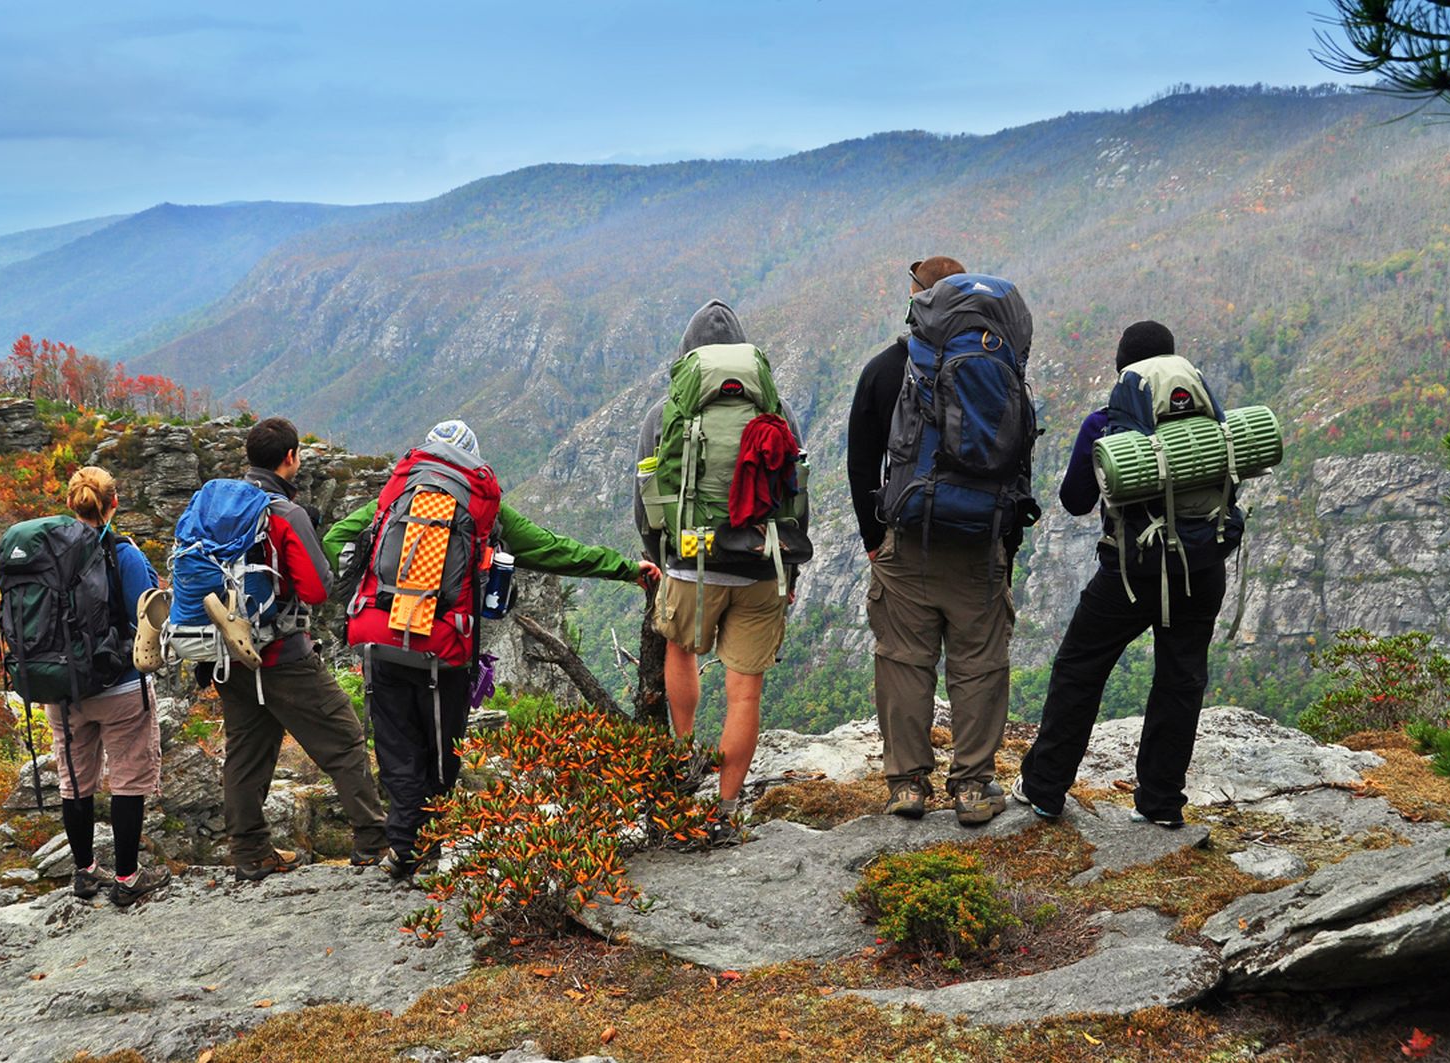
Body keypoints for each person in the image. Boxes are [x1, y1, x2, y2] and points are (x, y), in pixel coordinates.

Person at [324, 420, 661, 880]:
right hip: (444, 648)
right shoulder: (483, 506)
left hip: (380, 640)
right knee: (440, 755)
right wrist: (624, 568)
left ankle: (403, 849)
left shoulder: (395, 494)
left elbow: (335, 538)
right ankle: (425, 849)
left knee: (397, 748)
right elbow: (555, 550)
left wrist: (360, 595)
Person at [1013, 321, 1236, 827]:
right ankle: (1162, 803)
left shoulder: (1104, 423)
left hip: (1131, 574)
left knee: (1080, 669)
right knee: (1181, 680)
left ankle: (1045, 788)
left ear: (1125, 370)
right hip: (1201, 569)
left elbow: (1075, 500)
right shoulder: (1211, 421)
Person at [846, 256, 1027, 826]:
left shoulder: (886, 369)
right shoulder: (1001, 366)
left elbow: (860, 463)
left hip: (906, 542)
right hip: (980, 546)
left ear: (919, 302)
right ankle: (972, 787)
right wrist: (1005, 547)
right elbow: (1018, 463)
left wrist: (875, 539)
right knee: (979, 665)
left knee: (904, 661)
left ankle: (907, 785)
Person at [633, 300, 805, 826]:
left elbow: (646, 500)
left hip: (690, 561)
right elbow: (797, 496)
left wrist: (659, 558)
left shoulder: (665, 412)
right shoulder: (777, 410)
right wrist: (790, 570)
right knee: (744, 692)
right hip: (761, 562)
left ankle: (685, 761)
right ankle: (727, 810)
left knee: (681, 650)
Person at [214, 417, 390, 879]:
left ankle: (250, 853)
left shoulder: (218, 506)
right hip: (280, 655)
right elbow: (316, 589)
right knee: (344, 737)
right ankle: (372, 841)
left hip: (226, 653)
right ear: (291, 457)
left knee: (246, 753)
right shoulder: (284, 513)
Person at [46, 467, 171, 906]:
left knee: (75, 782)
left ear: (70, 504)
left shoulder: (48, 553)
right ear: (114, 503)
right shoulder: (124, 555)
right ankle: (127, 877)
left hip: (62, 688)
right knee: (128, 780)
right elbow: (147, 616)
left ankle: (84, 872)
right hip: (119, 686)